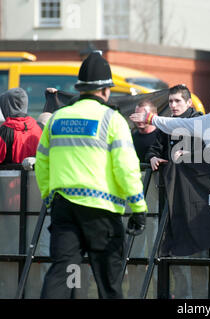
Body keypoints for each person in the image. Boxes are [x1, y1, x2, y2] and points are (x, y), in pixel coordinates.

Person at [35, 51, 148, 299]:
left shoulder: (57, 119)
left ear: (81, 88)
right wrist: (138, 207)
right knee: (109, 283)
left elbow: (42, 163)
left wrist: (50, 197)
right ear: (105, 90)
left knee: (63, 274)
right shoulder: (113, 120)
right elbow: (126, 168)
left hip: (65, 209)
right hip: (102, 214)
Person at [145, 84, 203, 171]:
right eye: (170, 101)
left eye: (177, 101)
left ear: (189, 102)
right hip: (170, 178)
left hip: (194, 178)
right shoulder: (166, 123)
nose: (173, 105)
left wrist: (190, 155)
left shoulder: (201, 123)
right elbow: (154, 149)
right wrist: (153, 158)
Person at [0, 88, 42, 164]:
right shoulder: (38, 128)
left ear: (7, 106)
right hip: (34, 175)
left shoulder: (5, 130)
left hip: (11, 174)